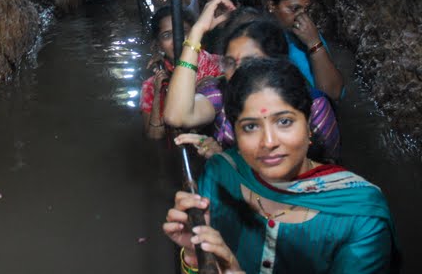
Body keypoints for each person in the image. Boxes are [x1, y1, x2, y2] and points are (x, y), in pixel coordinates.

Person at [163, 58, 398, 274]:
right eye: (250, 127)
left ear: (309, 126)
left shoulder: (360, 215)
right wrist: (196, 257)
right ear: (235, 133)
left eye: (284, 122)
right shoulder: (221, 175)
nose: (269, 142)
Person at [164, 0, 340, 162]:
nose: (239, 71)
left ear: (275, 62)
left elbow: (323, 173)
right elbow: (177, 116)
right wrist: (197, 32)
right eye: (231, 63)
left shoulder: (314, 106)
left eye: (250, 61)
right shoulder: (221, 92)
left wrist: (230, 163)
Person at [140, 6, 222, 139]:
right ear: (159, 44)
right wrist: (158, 95)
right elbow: (154, 137)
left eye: (183, 32)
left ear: (195, 33)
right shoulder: (152, 85)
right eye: (167, 36)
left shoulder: (218, 66)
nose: (177, 41)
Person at [267, 0, 344, 101]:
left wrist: (314, 43)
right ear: (272, 6)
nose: (302, 17)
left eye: (306, 10)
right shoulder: (261, 42)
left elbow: (333, 94)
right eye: (294, 9)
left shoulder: (310, 35)